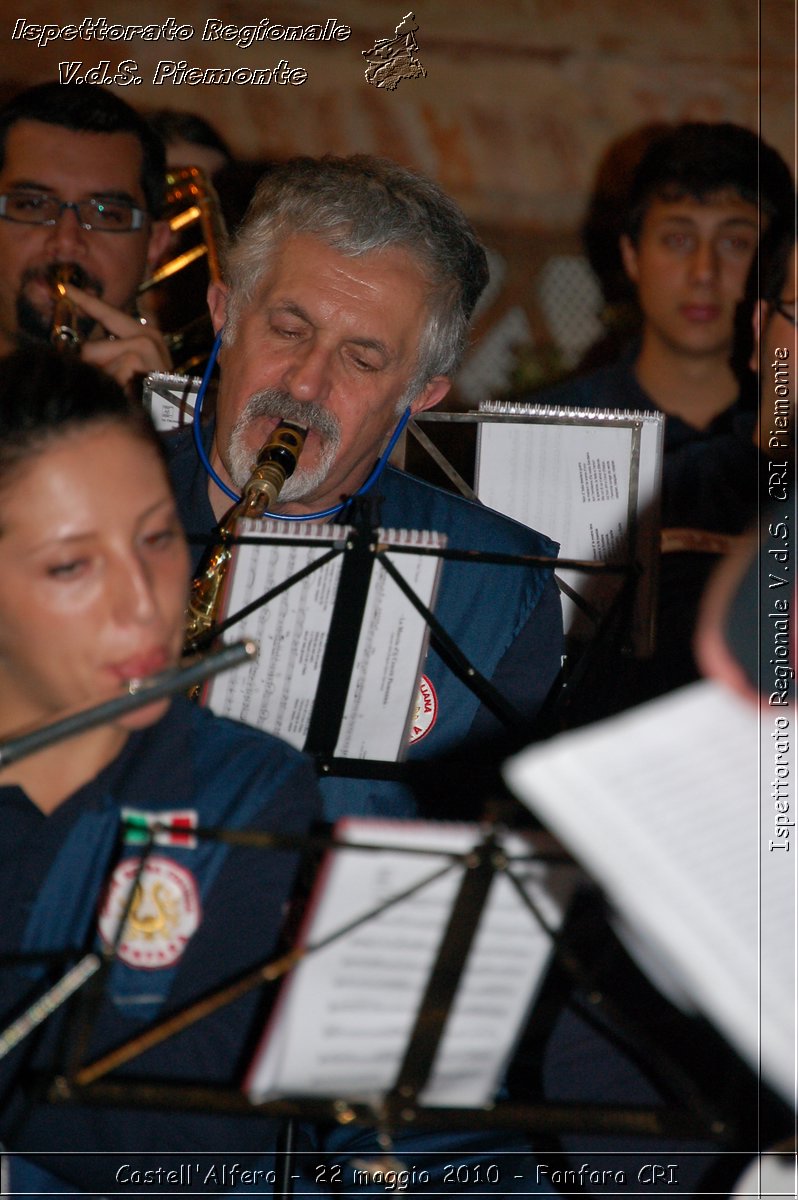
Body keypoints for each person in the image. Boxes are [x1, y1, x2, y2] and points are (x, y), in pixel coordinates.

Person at [0, 346, 321, 1195]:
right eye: (73, 566)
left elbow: (180, 1142)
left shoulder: (242, 788)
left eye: (156, 540)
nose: (144, 602)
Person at [167, 153, 565, 823]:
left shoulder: (497, 587)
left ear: (421, 396)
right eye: (289, 330)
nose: (303, 384)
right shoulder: (69, 515)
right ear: (223, 313)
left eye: (361, 359)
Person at [531, 122, 795, 713]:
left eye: (736, 242)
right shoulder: (554, 431)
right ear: (631, 254)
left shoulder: (782, 451)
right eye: (677, 239)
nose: (704, 272)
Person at [0, 82, 173, 390]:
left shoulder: (201, 428)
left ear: (154, 245)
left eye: (106, 214)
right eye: (31, 206)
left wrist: (162, 423)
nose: (66, 243)